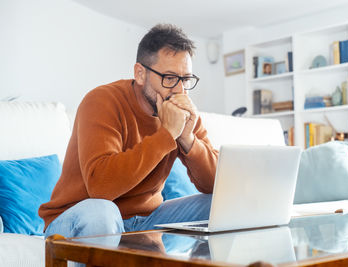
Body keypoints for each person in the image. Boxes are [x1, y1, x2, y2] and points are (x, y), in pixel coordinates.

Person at [39, 24, 219, 238]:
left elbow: (216, 184)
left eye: (186, 79)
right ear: (140, 73)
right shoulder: (102, 101)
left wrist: (188, 139)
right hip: (79, 216)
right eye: (169, 78)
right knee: (103, 212)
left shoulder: (182, 111)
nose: (180, 90)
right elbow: (100, 189)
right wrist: (166, 135)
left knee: (220, 206)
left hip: (148, 219)